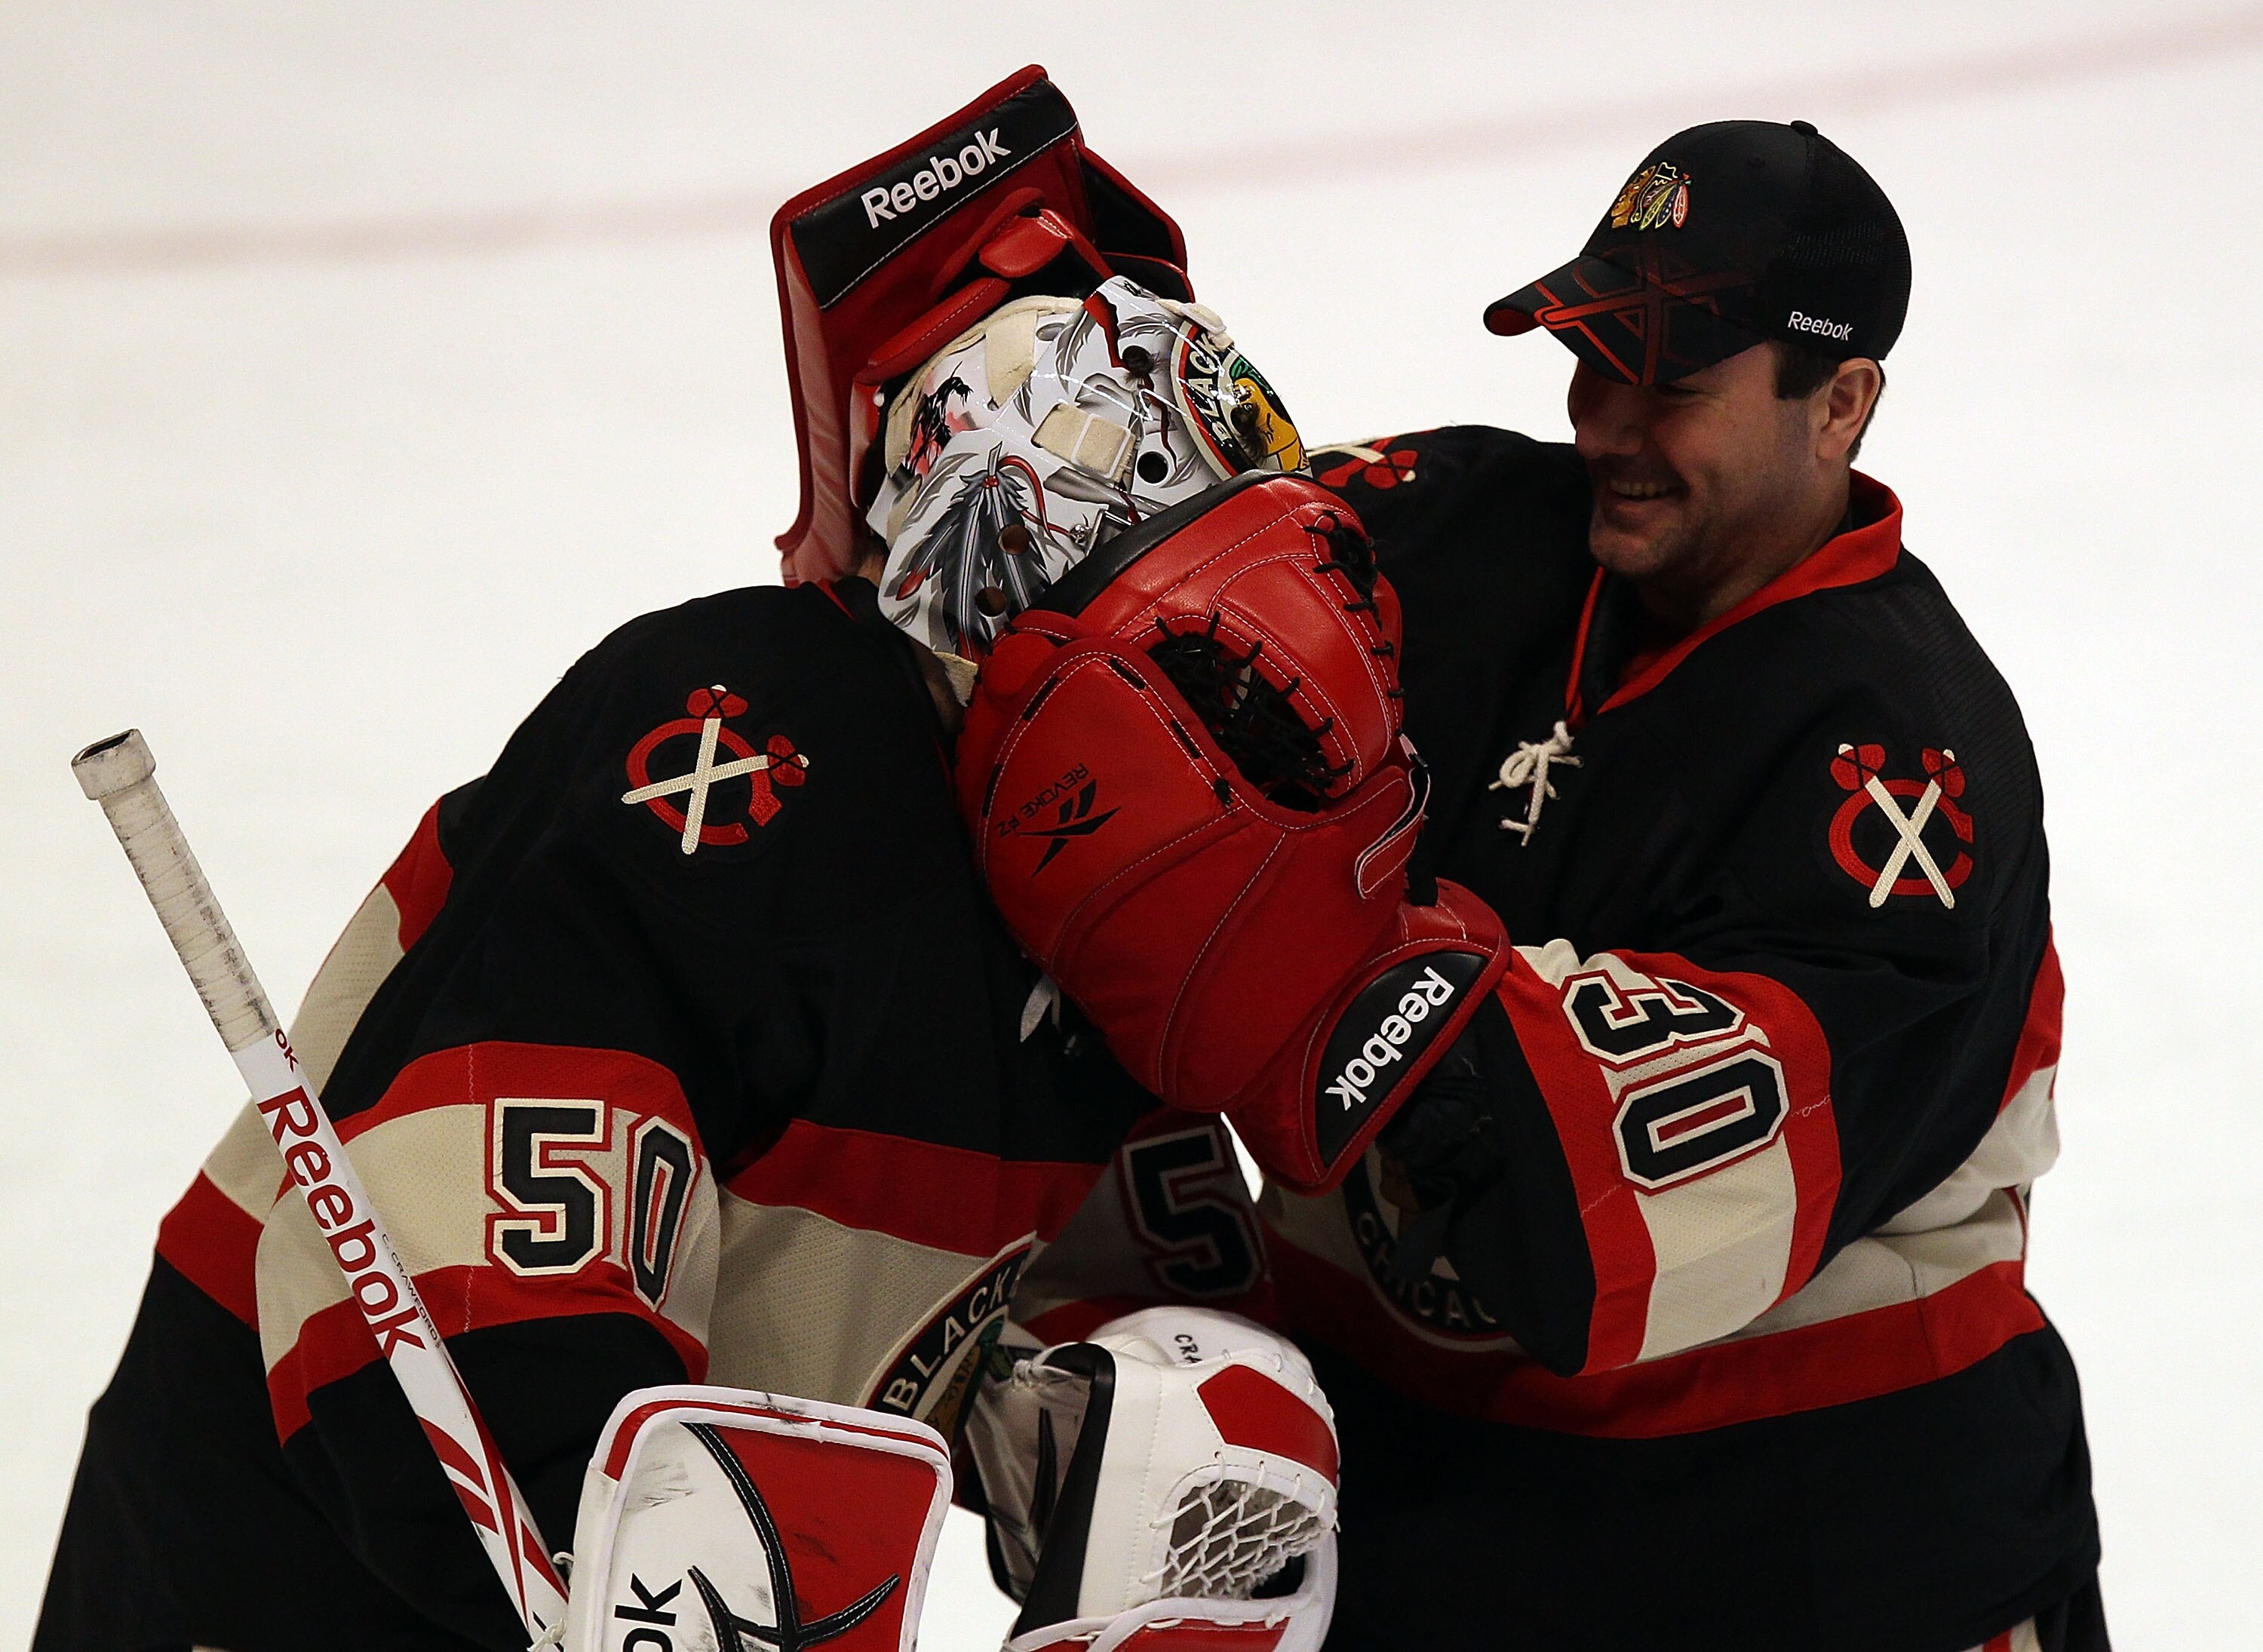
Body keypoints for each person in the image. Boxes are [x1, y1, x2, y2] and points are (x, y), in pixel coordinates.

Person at [35, 69, 1278, 1651]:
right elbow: (444, 1280)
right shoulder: (748, 744)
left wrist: (1074, 1421)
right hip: (294, 1560)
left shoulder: (1149, 824)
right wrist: (606, 1517)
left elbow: (1101, 1279)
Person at [953, 120, 2104, 1650]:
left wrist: (1300, 928)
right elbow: (1109, 595)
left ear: (1841, 403)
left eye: (1672, 383)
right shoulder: (1464, 530)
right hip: (1428, 1542)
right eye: (1591, 362)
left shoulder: (1904, 774)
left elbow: (1577, 1229)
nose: (1609, 425)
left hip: (1834, 1566)